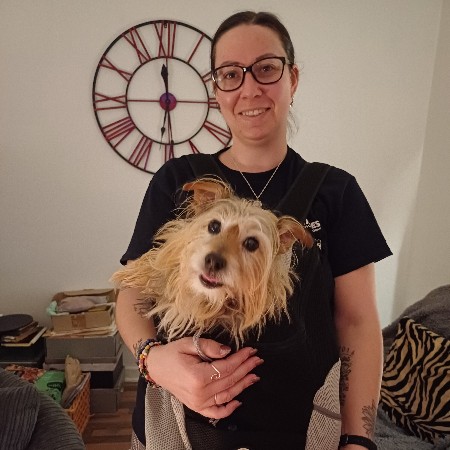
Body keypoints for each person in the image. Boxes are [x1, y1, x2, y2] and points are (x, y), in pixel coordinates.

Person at [115, 10, 392, 450]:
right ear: (216, 90)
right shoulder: (177, 181)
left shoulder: (336, 191)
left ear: (292, 79)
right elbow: (134, 291)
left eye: (266, 68)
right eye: (230, 74)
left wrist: (359, 440)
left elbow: (357, 323)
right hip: (178, 428)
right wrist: (154, 360)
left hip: (301, 431)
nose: (249, 88)